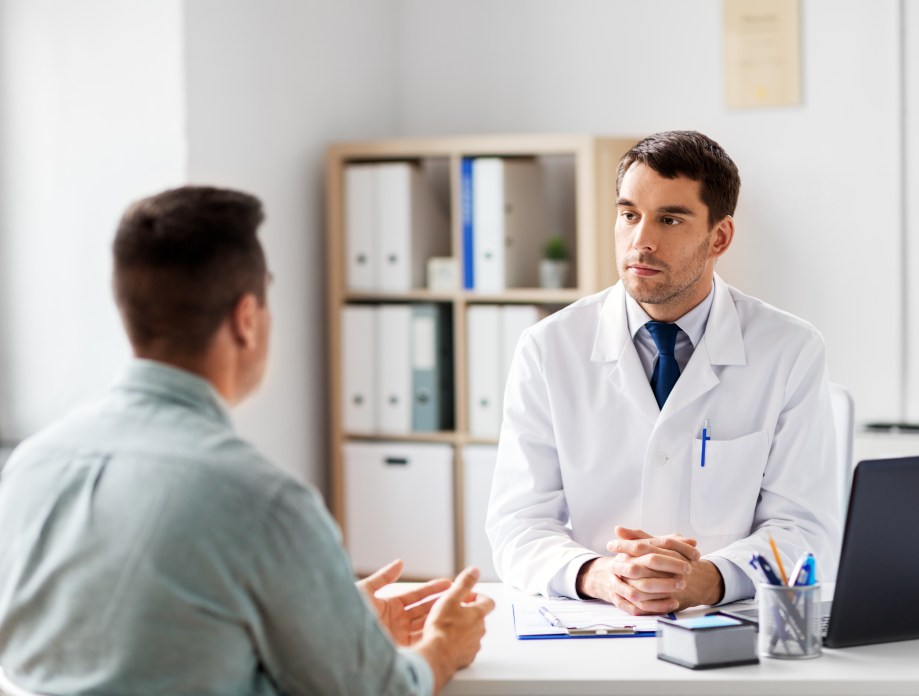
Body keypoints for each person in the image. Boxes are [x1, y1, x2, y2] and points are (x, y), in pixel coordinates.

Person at [0, 186, 493, 695]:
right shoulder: (262, 502)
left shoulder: (31, 467)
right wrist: (442, 648)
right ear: (247, 320)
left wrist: (333, 624)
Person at [486, 131, 841, 614]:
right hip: (594, 620)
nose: (641, 241)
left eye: (669, 219)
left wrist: (708, 580)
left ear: (720, 236)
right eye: (629, 214)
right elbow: (518, 523)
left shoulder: (790, 350)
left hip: (727, 624)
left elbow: (802, 528)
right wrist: (601, 576)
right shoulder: (549, 348)